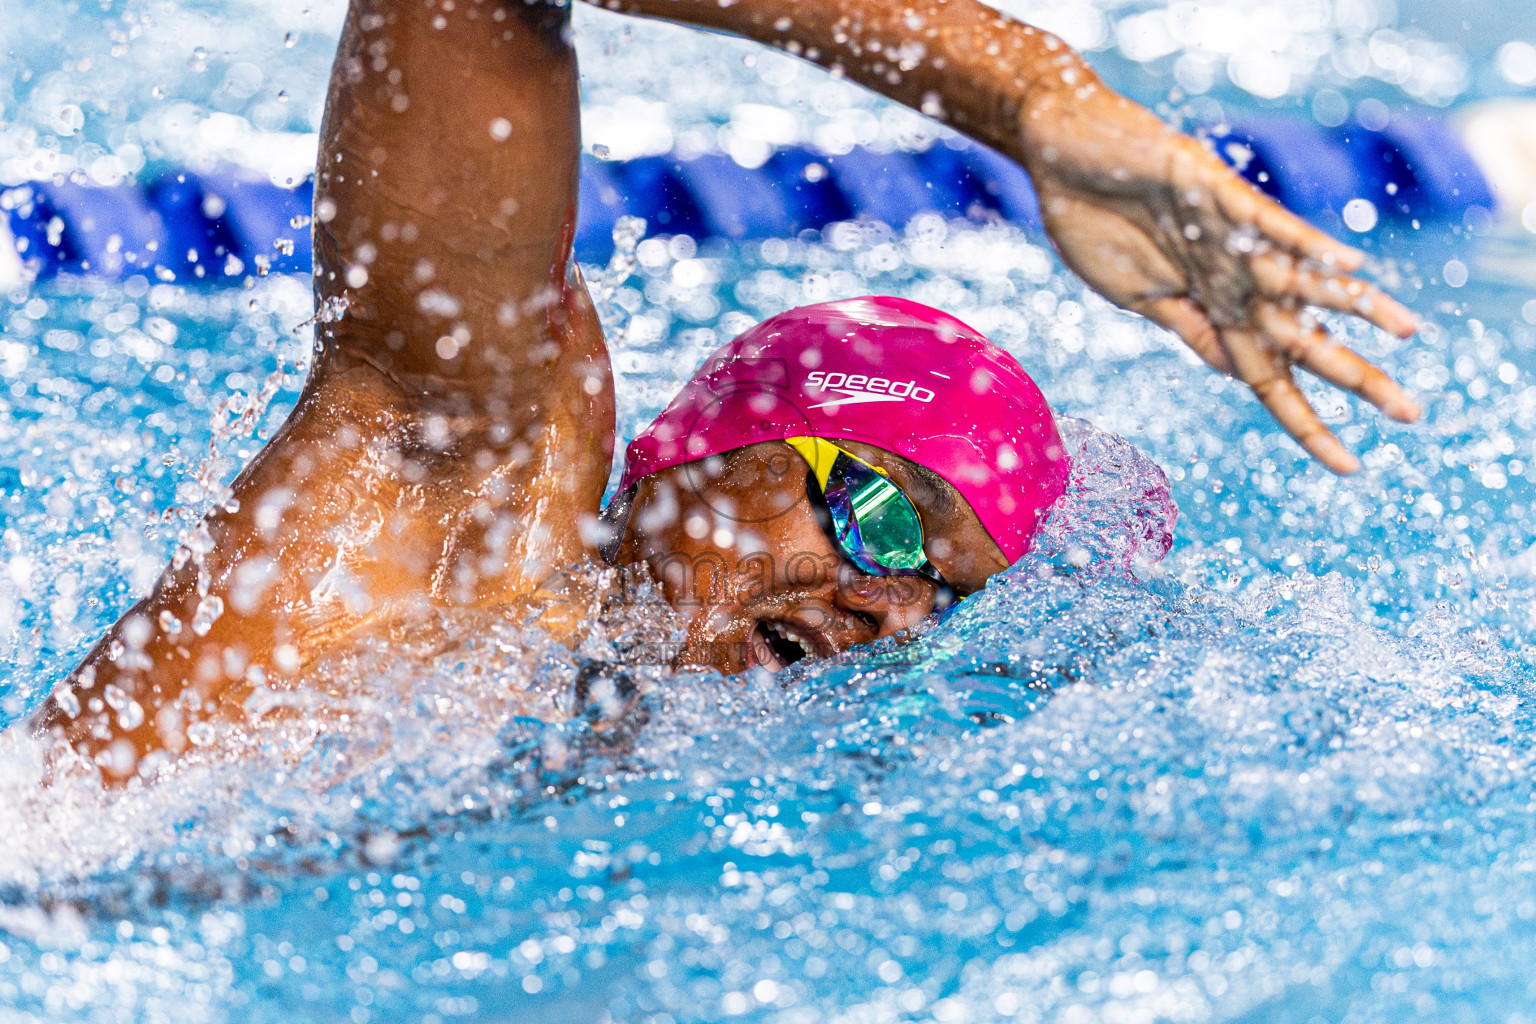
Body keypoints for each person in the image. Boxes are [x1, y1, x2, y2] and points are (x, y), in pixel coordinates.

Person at [31, 0, 1421, 783]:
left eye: (946, 595)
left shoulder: (622, 763)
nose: (890, 609)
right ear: (702, 452)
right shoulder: (442, 502)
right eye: (884, 516)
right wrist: (1030, 95)